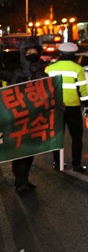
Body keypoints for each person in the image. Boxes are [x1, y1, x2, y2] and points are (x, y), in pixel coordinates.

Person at [0, 39, 48, 193]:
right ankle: (20, 181)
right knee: (20, 149)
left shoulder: (43, 71)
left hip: (35, 116)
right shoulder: (16, 71)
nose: (32, 54)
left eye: (34, 52)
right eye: (28, 52)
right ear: (24, 54)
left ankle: (24, 179)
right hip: (18, 115)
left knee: (30, 150)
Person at [46, 42, 88, 172]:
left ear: (60, 53)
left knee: (57, 136)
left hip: (55, 107)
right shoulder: (77, 68)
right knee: (76, 136)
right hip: (73, 108)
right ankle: (77, 164)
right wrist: (86, 105)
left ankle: (57, 163)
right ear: (73, 54)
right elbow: (83, 90)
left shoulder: (50, 68)